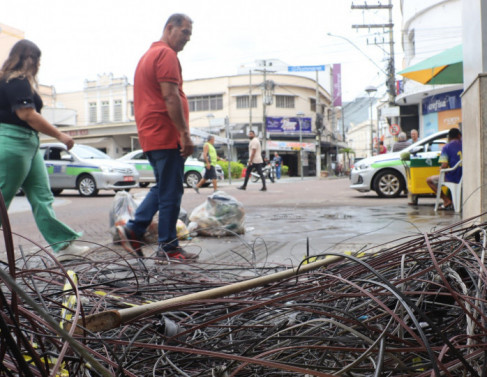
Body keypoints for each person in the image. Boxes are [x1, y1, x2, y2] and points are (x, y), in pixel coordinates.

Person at [116, 14, 198, 262]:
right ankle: (168, 247)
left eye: (189, 35)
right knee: (171, 191)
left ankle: (134, 229)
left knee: (164, 186)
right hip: (165, 133)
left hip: (152, 134)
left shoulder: (148, 56)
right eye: (184, 32)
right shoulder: (166, 55)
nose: (187, 39)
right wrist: (184, 134)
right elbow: (170, 96)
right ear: (169, 28)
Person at [0, 39, 89, 260]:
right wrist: (59, 134)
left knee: (42, 197)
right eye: (37, 59)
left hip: (29, 144)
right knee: (2, 200)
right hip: (12, 143)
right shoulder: (16, 80)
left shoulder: (21, 82)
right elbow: (27, 114)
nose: (39, 65)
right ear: (28, 58)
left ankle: (63, 245)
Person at [426, 128, 462, 210]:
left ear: (449, 137)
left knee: (429, 180)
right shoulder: (465, 144)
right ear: (459, 135)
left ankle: (446, 200)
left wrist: (441, 168)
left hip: (454, 177)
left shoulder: (446, 147)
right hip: (465, 175)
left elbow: (444, 165)